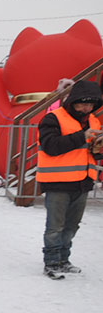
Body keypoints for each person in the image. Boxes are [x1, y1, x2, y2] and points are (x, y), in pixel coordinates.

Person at [36, 80, 103, 279]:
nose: (87, 108)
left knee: (72, 225)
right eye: (82, 103)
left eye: (91, 105)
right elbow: (51, 145)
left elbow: (92, 153)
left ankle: (64, 259)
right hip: (57, 181)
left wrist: (98, 148)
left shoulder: (94, 121)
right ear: (72, 101)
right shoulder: (53, 118)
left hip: (83, 181)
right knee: (55, 226)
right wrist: (82, 136)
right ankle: (52, 262)